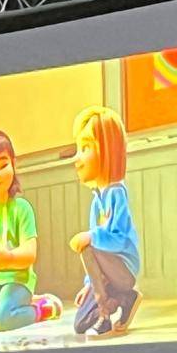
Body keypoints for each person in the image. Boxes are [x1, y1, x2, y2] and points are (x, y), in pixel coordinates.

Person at [0, 130, 62, 332]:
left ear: (14, 166)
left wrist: (7, 258)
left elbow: (30, 254)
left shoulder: (22, 208)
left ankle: (42, 308)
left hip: (18, 278)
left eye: (2, 165)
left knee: (5, 319)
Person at [69, 106, 142, 336]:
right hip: (108, 275)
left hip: (123, 270)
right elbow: (96, 255)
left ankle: (104, 315)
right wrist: (88, 285)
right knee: (80, 324)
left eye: (85, 148)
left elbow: (118, 240)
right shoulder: (96, 202)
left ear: (108, 151)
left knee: (86, 246)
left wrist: (91, 236)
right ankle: (124, 299)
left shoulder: (117, 194)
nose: (77, 158)